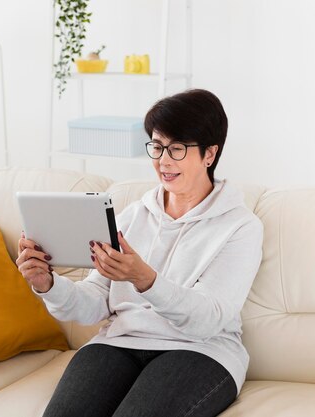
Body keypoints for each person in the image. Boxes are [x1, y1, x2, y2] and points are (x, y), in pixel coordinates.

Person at [16, 88, 264, 417]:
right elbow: (93, 304)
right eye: (157, 147)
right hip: (119, 342)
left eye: (176, 149)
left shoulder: (240, 227)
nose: (163, 161)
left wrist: (144, 279)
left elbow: (208, 319)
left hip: (200, 350)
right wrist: (48, 284)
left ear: (209, 154)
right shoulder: (133, 215)